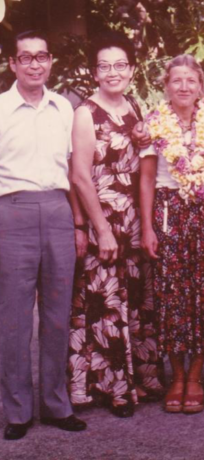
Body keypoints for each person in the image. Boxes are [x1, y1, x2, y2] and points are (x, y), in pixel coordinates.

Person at [68, 32, 164, 418]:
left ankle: (136, 379)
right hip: (103, 222)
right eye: (104, 66)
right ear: (94, 72)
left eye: (120, 64)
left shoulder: (135, 108)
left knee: (133, 301)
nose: (113, 72)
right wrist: (101, 229)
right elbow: (79, 175)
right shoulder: (85, 113)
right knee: (104, 305)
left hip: (133, 222)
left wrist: (145, 222)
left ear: (132, 69)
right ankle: (107, 387)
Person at [0, 30, 86, 440]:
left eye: (42, 56)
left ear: (51, 62)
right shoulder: (0, 110)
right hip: (11, 213)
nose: (35, 64)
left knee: (57, 315)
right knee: (14, 318)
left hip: (57, 211)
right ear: (12, 64)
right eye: (25, 57)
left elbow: (76, 171)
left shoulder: (65, 110)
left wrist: (79, 224)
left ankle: (55, 404)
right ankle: (17, 411)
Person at [140, 54, 204, 414]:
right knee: (172, 297)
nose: (183, 87)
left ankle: (196, 376)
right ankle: (176, 376)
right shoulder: (154, 123)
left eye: (191, 81)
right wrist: (147, 227)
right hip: (168, 213)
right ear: (166, 85)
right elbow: (146, 178)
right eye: (176, 80)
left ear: (201, 87)